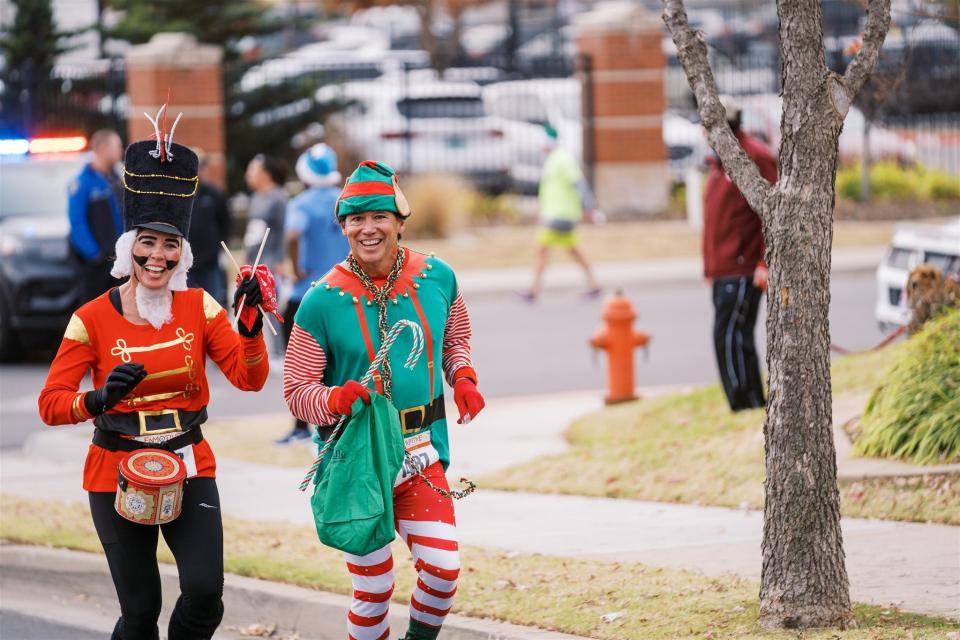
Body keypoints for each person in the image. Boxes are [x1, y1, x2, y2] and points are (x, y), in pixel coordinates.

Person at [38, 117, 277, 640]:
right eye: (147, 243)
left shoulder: (201, 305)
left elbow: (249, 379)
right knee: (141, 611)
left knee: (205, 596)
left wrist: (251, 327)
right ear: (130, 248)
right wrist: (99, 399)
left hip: (190, 462)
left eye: (170, 246)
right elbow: (51, 403)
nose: (158, 257)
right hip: (115, 469)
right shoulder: (91, 317)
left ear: (183, 255)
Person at [283, 160, 486, 640]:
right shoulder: (319, 300)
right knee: (373, 591)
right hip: (354, 458)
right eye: (356, 219)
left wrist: (464, 377)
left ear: (399, 219)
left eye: (378, 216)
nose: (367, 228)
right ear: (344, 226)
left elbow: (455, 337)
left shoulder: (439, 277)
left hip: (420, 451)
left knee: (442, 571)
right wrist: (334, 399)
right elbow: (296, 391)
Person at [702, 96, 777, 412]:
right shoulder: (720, 163)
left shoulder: (754, 158)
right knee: (735, 336)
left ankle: (743, 403)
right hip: (723, 270)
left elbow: (772, 215)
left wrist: (765, 261)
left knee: (730, 336)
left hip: (743, 267)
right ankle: (750, 400)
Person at [274, 143, 349, 446]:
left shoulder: (301, 203)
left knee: (302, 365)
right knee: (340, 360)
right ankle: (340, 420)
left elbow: (292, 234)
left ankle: (302, 426)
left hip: (308, 294)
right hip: (344, 291)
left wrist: (296, 266)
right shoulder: (343, 201)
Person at [518, 123, 601, 302]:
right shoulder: (554, 159)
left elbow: (579, 184)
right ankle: (594, 284)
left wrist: (588, 207)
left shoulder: (562, 159)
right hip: (559, 214)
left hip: (560, 215)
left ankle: (533, 290)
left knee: (541, 249)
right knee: (574, 250)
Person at [69, 128, 125, 304]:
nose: (121, 150)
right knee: (95, 311)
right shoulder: (83, 183)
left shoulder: (116, 179)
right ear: (103, 149)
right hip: (98, 265)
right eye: (117, 146)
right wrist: (94, 254)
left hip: (120, 261)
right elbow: (77, 222)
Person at [186, 151, 231, 306]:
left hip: (210, 263)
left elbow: (225, 223)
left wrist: (218, 248)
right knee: (189, 305)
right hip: (186, 264)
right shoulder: (180, 195)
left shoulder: (215, 194)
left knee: (214, 305)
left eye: (202, 165)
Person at [243, 154, 288, 277]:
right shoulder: (254, 198)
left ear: (265, 174)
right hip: (253, 263)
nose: (247, 175)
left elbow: (283, 230)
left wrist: (280, 261)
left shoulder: (279, 198)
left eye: (252, 170)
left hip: (271, 264)